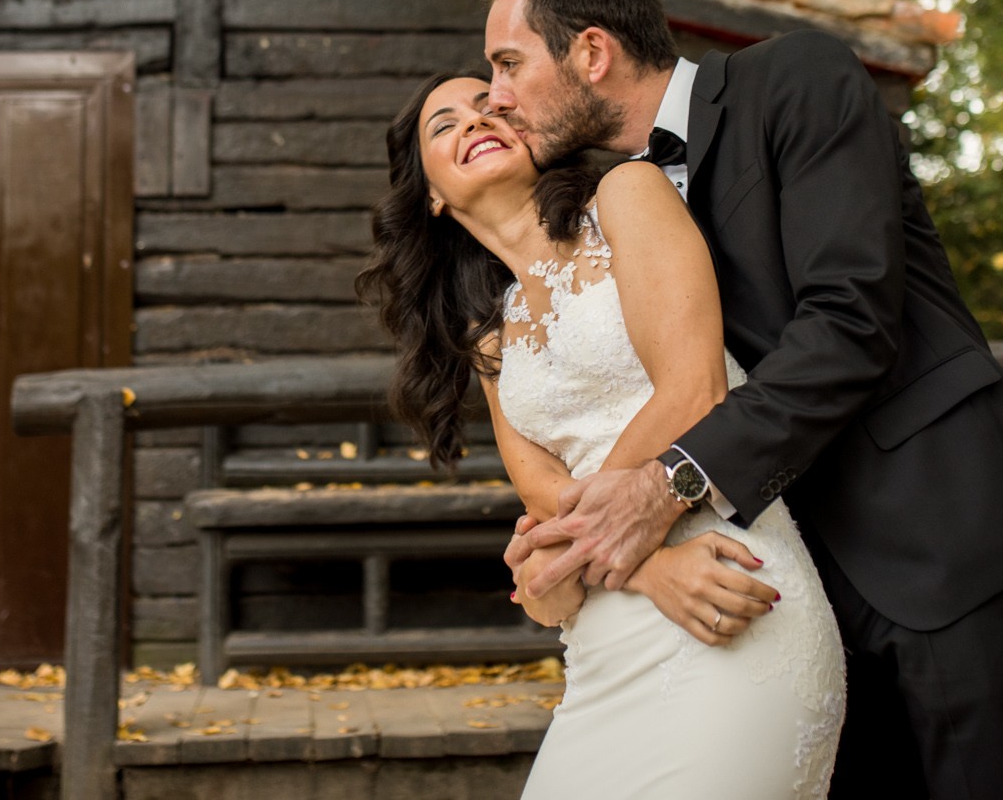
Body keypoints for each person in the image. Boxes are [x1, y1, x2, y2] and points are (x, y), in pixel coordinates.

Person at [480, 0, 1003, 800]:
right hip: (793, 601)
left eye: (510, 63)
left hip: (944, 543)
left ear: (591, 51)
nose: (497, 95)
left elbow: (851, 321)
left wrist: (669, 484)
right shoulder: (608, 211)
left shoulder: (797, 79)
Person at [357, 73, 846, 798]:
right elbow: (539, 489)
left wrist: (565, 553)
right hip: (612, 633)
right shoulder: (486, 333)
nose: (474, 119)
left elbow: (693, 390)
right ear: (430, 193)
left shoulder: (625, 197)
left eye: (490, 104)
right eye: (444, 124)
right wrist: (640, 568)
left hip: (726, 589)